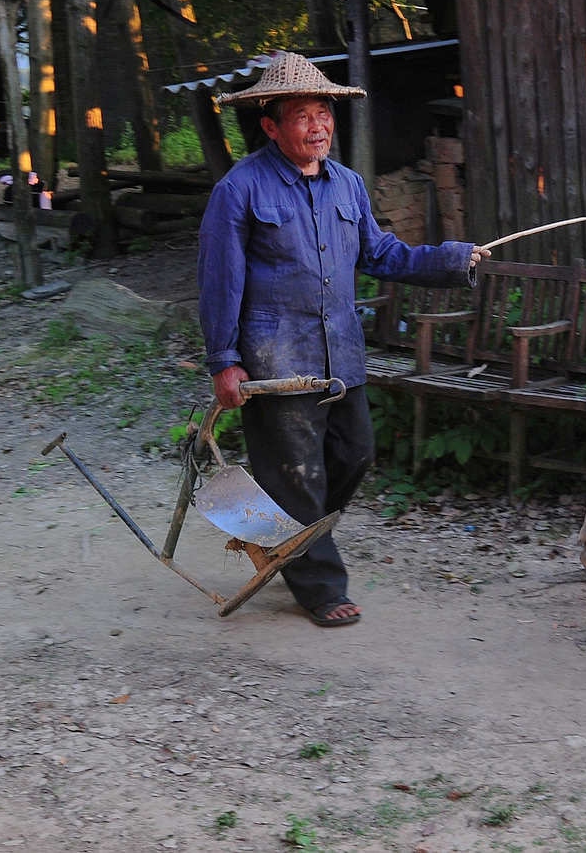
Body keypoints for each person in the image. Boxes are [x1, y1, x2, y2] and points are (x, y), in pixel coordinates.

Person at [198, 52, 489, 627]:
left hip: (338, 355)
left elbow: (381, 254)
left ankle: (278, 534)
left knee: (354, 454)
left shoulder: (347, 185)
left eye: (324, 112)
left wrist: (453, 260)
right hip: (274, 357)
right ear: (271, 125)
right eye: (303, 115)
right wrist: (223, 360)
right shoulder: (240, 189)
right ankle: (321, 587)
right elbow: (219, 281)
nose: (318, 126)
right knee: (298, 472)